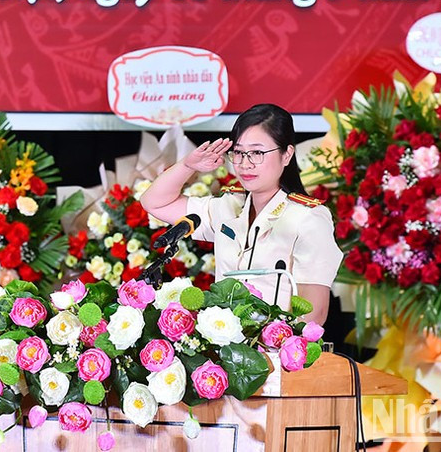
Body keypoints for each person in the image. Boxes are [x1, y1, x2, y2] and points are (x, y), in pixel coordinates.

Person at [140, 104, 342, 325]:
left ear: (286, 155)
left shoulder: (308, 218)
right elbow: (154, 202)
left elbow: (314, 312)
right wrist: (188, 166)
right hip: (222, 347)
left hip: (275, 352)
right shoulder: (227, 206)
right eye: (238, 152)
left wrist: (276, 350)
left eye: (257, 152)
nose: (245, 164)